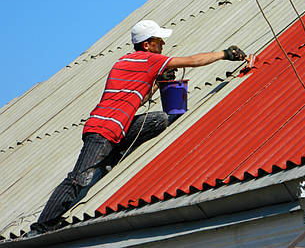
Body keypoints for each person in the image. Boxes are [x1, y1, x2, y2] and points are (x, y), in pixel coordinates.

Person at [27, 20, 247, 237]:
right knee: (79, 179)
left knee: (159, 119)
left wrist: (156, 83)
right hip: (104, 129)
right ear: (147, 45)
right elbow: (191, 60)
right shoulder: (148, 59)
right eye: (159, 41)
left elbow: (135, 99)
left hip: (117, 128)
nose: (162, 45)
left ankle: (116, 153)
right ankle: (42, 226)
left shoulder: (125, 62)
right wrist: (224, 54)